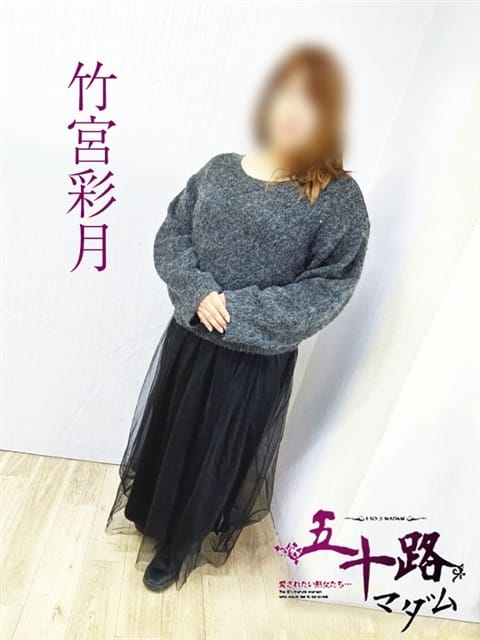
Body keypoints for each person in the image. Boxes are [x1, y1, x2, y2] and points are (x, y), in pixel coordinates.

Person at [106, 45, 370, 592]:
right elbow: (173, 234)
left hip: (251, 359)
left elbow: (329, 286)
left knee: (214, 453)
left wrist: (237, 311)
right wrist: (198, 291)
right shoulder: (220, 170)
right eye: (285, 92)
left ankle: (179, 545)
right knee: (171, 433)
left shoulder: (339, 198)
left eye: (310, 100)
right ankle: (152, 516)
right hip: (189, 337)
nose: (292, 108)